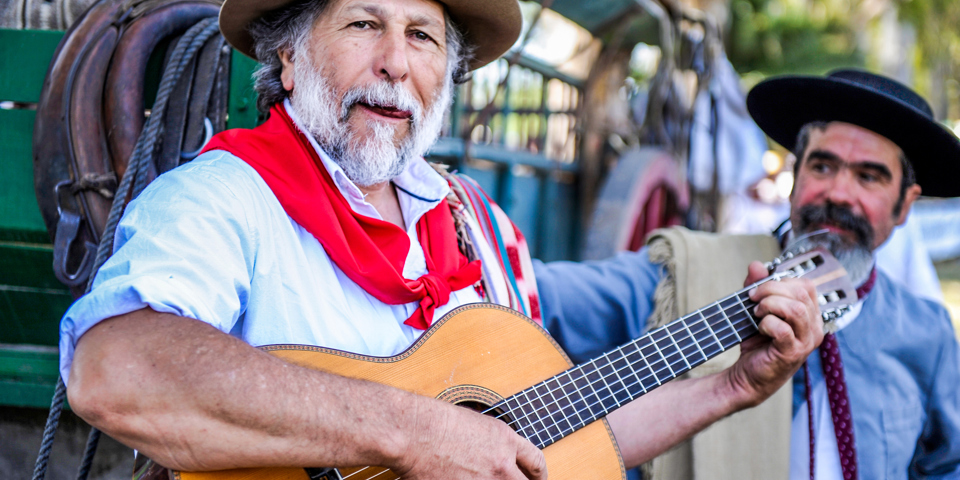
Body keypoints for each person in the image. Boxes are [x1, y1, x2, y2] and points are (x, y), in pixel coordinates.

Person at [57, 0, 824, 478]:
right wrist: (413, 433)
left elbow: (544, 443)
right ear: (287, 58)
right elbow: (113, 368)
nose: (395, 62)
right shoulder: (225, 199)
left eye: (422, 36)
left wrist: (729, 387)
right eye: (364, 24)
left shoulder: (479, 226)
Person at [544, 70, 960, 479]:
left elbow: (944, 467)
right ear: (796, 179)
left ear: (905, 205)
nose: (838, 193)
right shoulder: (681, 273)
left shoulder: (928, 334)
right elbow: (539, 295)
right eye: (822, 167)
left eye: (868, 177)